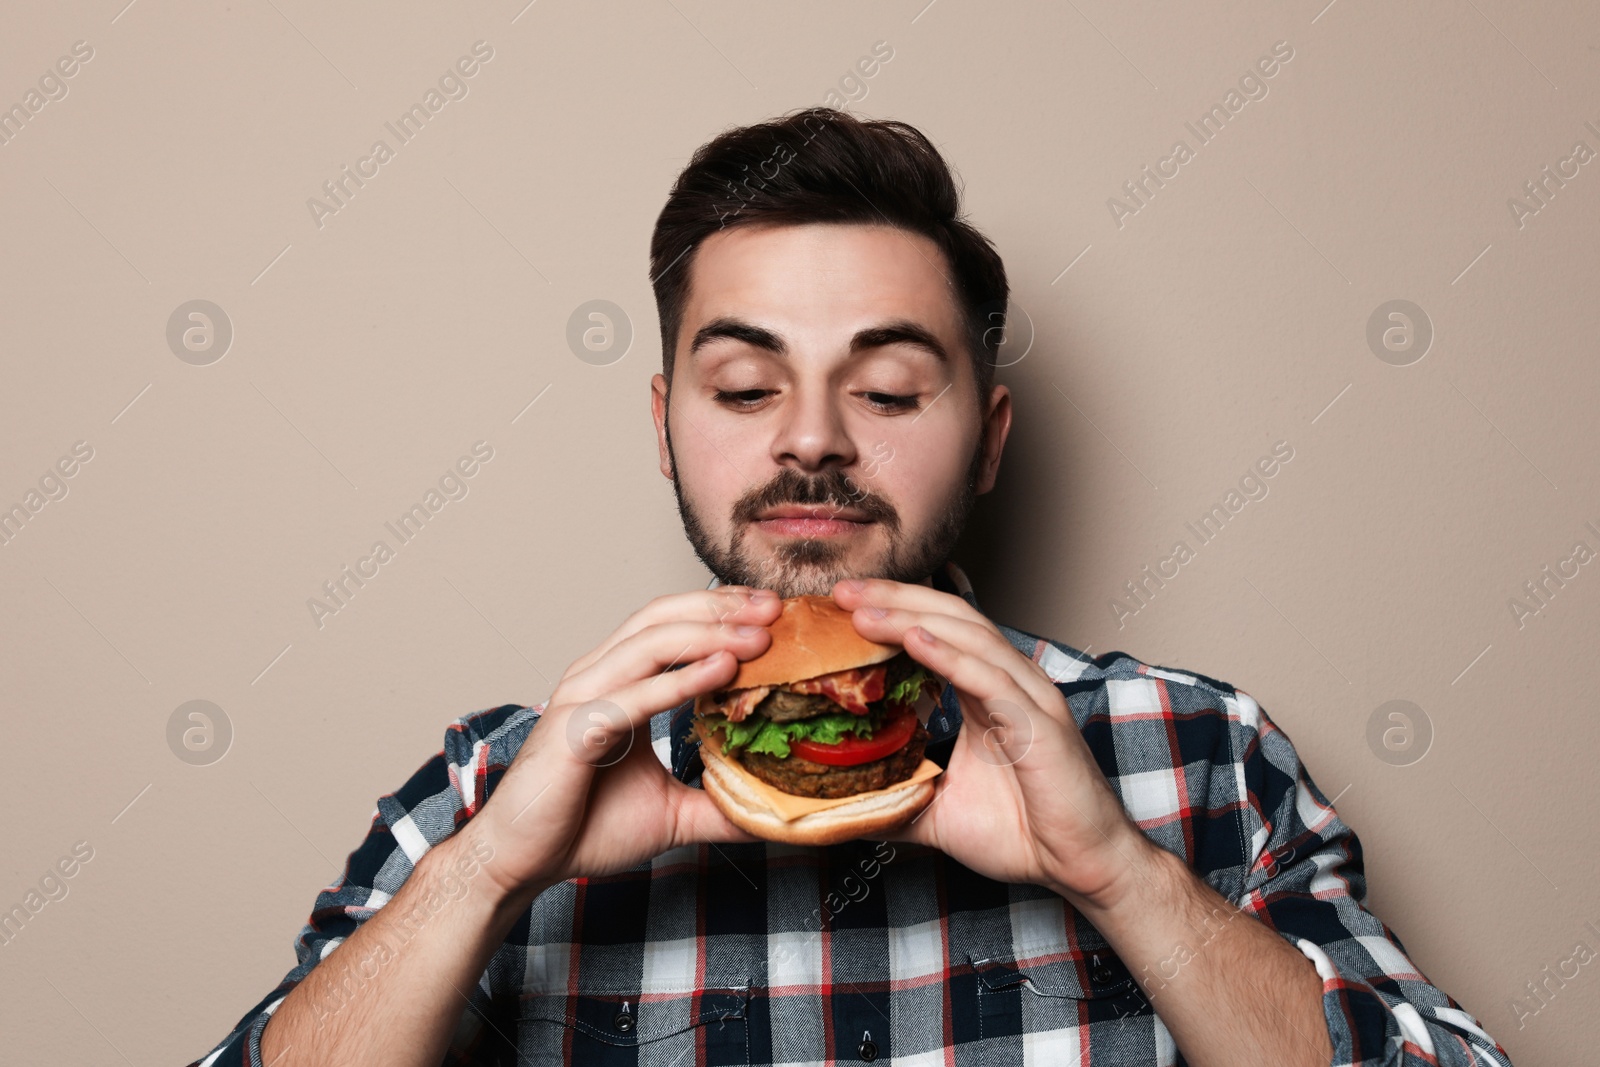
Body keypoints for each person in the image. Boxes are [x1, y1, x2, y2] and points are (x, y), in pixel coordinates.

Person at [189, 107, 1511, 1066]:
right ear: (664, 426)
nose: (811, 437)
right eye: (747, 388)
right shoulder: (493, 794)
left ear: (990, 437)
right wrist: (483, 882)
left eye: (886, 388)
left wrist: (1116, 873)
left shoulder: (1201, 758)